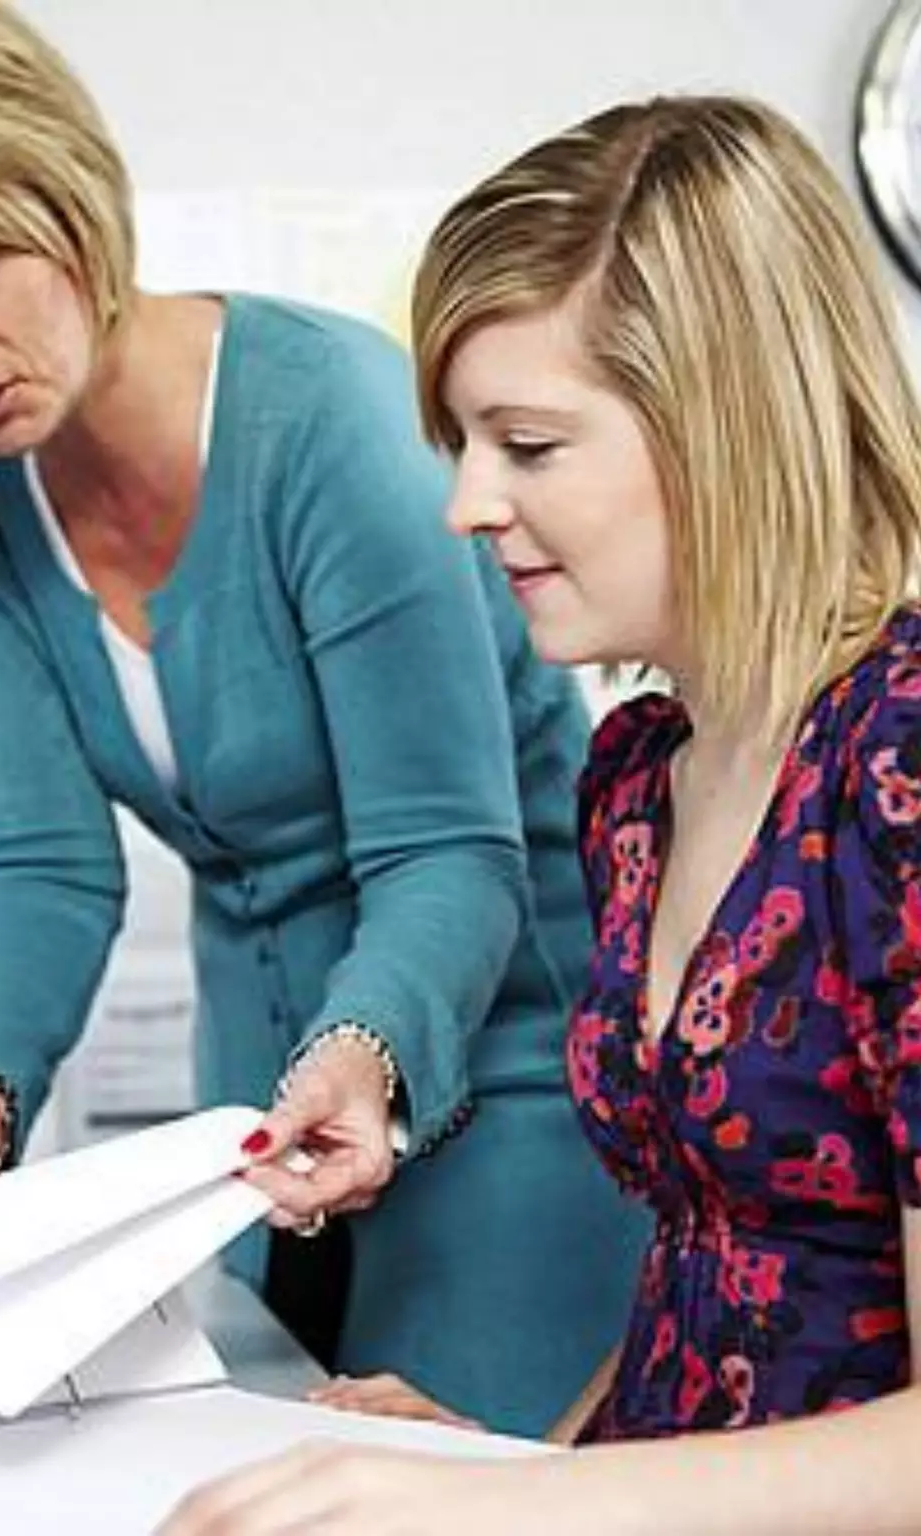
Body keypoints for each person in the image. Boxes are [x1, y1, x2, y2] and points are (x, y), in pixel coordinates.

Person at [0, 0, 642, 1435]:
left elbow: (448, 854)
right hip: (257, 1137)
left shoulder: (332, 420)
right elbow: (39, 861)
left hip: (505, 1092)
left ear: (65, 192)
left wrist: (362, 1056)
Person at [161, 93, 921, 1534]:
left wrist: (517, 1514)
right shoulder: (637, 778)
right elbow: (706, 1284)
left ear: (723, 428)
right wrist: (503, 1467)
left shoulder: (900, 763)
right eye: (461, 443)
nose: (464, 506)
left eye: (526, 443)